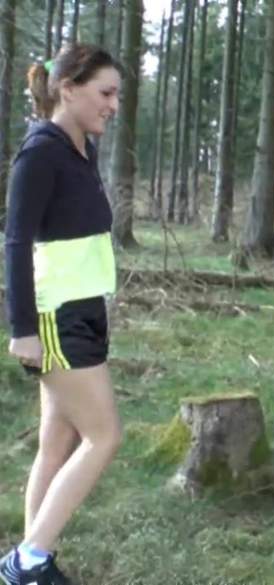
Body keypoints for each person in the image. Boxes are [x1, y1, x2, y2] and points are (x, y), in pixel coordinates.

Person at [1, 44, 123, 585]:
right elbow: (15, 241)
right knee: (104, 436)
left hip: (85, 308)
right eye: (106, 93)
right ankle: (24, 564)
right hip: (56, 317)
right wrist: (22, 330)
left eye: (117, 94)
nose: (113, 105)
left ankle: (34, 557)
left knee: (59, 442)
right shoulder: (40, 152)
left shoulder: (80, 149)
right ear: (68, 90)